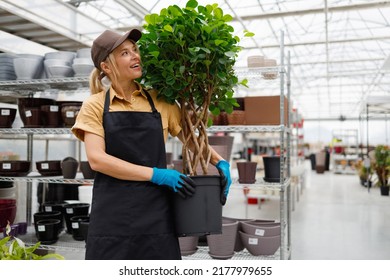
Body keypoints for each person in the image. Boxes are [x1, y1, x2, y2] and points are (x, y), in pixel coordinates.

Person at [71, 29, 232, 260]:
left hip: (156, 213)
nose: (135, 56)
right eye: (125, 53)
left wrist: (220, 162)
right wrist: (157, 174)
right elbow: (97, 160)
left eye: (135, 50)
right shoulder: (94, 106)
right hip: (112, 216)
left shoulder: (161, 101)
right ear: (106, 66)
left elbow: (191, 140)